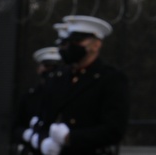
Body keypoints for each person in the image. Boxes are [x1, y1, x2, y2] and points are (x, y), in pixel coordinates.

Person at [26, 15, 129, 155]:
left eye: (78, 41)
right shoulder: (59, 77)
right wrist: (42, 140)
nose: (71, 46)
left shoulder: (110, 78)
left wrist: (70, 138)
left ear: (96, 45)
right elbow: (43, 118)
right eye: (70, 41)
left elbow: (113, 130)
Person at [14, 46, 63, 150]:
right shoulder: (30, 96)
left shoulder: (67, 94)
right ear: (39, 69)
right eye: (47, 66)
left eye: (54, 67)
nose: (50, 72)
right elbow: (17, 125)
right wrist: (27, 134)